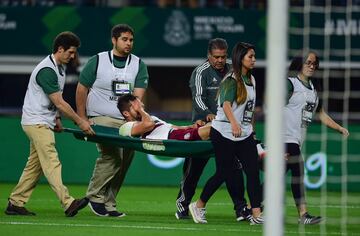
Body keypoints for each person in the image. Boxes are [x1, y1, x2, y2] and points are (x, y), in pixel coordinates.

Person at [5, 31, 95, 217]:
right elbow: (60, 102)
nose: (73, 56)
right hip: (36, 122)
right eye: (70, 52)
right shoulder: (47, 70)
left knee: (35, 166)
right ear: (60, 49)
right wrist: (80, 121)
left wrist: (57, 119)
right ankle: (68, 202)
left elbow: (55, 102)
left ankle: (15, 202)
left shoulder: (59, 68)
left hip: (41, 121)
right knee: (51, 162)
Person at [76, 24, 149, 217]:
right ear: (114, 40)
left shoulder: (138, 64)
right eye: (124, 39)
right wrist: (82, 118)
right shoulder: (97, 61)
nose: (129, 43)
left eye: (131, 40)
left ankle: (109, 203)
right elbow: (81, 89)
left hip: (126, 121)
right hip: (101, 118)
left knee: (124, 161)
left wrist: (140, 122)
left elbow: (137, 99)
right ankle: (95, 197)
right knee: (113, 156)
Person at [175, 38, 250, 221]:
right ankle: (182, 205)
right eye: (216, 57)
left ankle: (240, 208)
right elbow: (198, 98)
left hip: (226, 130)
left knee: (233, 168)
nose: (220, 60)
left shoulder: (234, 70)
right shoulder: (200, 72)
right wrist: (208, 114)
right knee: (194, 169)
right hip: (203, 129)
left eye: (223, 57)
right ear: (209, 56)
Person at [189, 42, 263, 225]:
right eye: (250, 56)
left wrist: (251, 130)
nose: (253, 60)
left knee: (253, 172)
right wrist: (234, 123)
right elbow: (226, 104)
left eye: (254, 56)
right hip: (223, 132)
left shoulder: (252, 80)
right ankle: (198, 205)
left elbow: (250, 110)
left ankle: (256, 214)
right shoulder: (231, 79)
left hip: (244, 134)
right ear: (241, 58)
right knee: (223, 172)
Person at [284, 51, 349, 224]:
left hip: (297, 139)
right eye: (308, 63)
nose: (311, 66)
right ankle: (303, 215)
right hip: (285, 138)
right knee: (298, 171)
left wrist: (339, 128)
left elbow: (321, 114)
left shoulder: (313, 89)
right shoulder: (290, 84)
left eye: (314, 63)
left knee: (278, 176)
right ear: (299, 63)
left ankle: (253, 207)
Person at [117, 94, 210, 140]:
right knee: (214, 129)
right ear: (126, 113)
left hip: (177, 133)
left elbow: (173, 127)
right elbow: (149, 125)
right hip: (170, 138)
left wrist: (192, 126)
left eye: (141, 106)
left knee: (212, 124)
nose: (141, 108)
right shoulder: (126, 127)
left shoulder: (150, 118)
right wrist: (141, 110)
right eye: (136, 107)